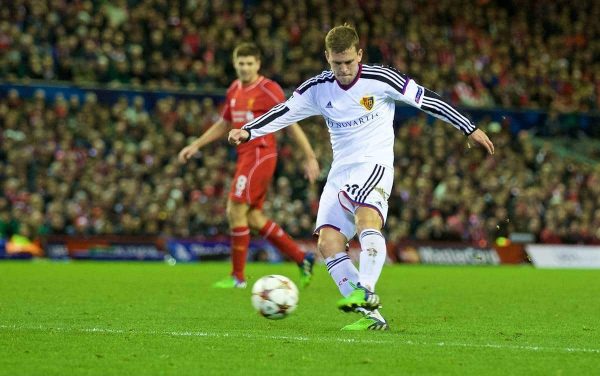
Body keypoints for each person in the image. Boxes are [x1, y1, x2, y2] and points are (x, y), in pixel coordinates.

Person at [229, 25, 495, 330]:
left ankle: (365, 289)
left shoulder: (381, 79)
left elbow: (427, 99)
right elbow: (283, 111)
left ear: (359, 54)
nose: (343, 70)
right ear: (326, 56)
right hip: (340, 171)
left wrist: (468, 127)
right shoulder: (317, 88)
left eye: (348, 62)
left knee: (367, 219)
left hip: (374, 164)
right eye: (336, 63)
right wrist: (249, 131)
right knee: (328, 244)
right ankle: (373, 318)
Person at [179, 43, 320, 289]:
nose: (245, 68)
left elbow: (291, 121)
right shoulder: (234, 89)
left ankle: (237, 277)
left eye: (249, 63)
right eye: (241, 63)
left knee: (235, 209)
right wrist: (197, 145)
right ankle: (302, 258)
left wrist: (309, 156)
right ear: (235, 64)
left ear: (258, 64)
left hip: (260, 153)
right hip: (245, 156)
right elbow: (224, 124)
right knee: (253, 217)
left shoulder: (268, 89)